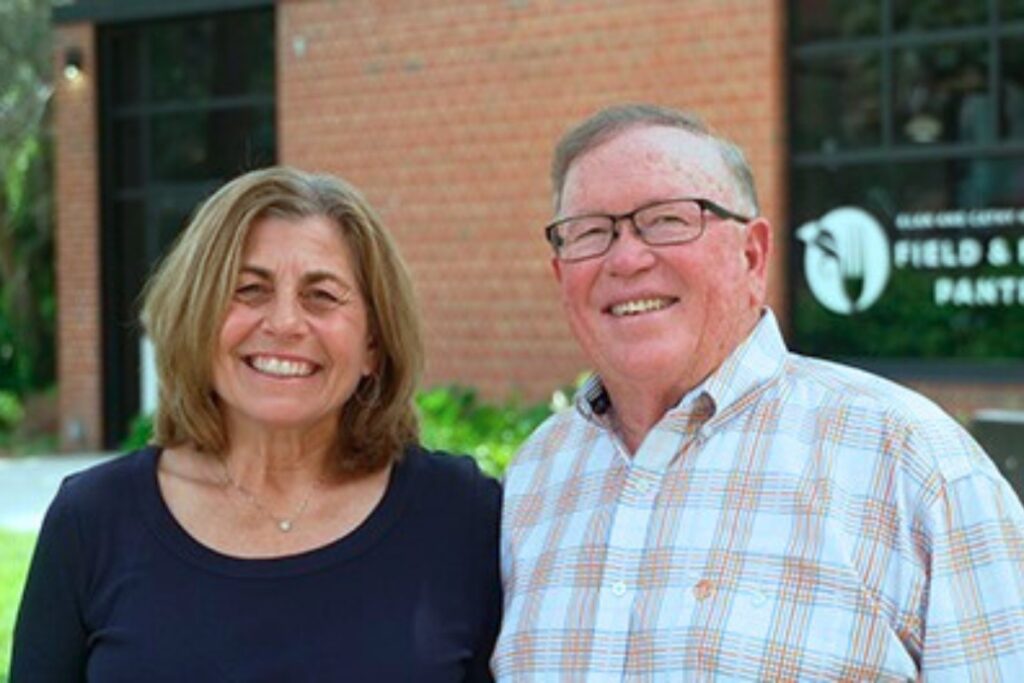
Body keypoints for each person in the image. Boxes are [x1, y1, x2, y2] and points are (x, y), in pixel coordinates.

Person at [493, 104, 1024, 680]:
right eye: (591, 232)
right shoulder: (535, 477)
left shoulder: (911, 461)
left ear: (753, 255)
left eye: (668, 220)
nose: (626, 258)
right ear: (560, 275)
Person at [12, 167, 501, 681]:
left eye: (322, 295)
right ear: (197, 321)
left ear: (373, 348)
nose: (285, 323)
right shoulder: (92, 521)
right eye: (249, 289)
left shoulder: (459, 515)